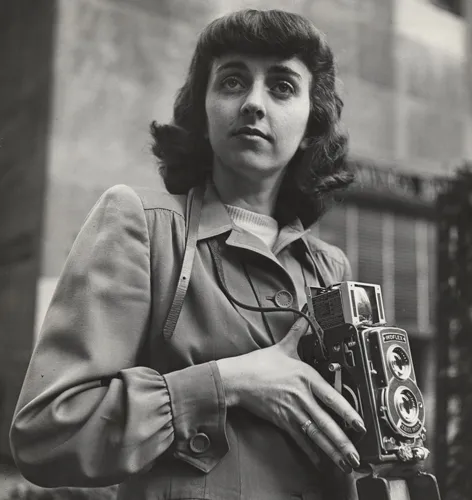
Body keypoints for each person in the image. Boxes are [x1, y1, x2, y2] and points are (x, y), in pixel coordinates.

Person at [10, 9, 365, 500]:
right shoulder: (140, 222)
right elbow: (48, 433)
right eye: (233, 82)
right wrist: (230, 382)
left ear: (311, 121)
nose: (253, 104)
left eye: (282, 86)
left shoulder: (329, 268)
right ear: (204, 108)